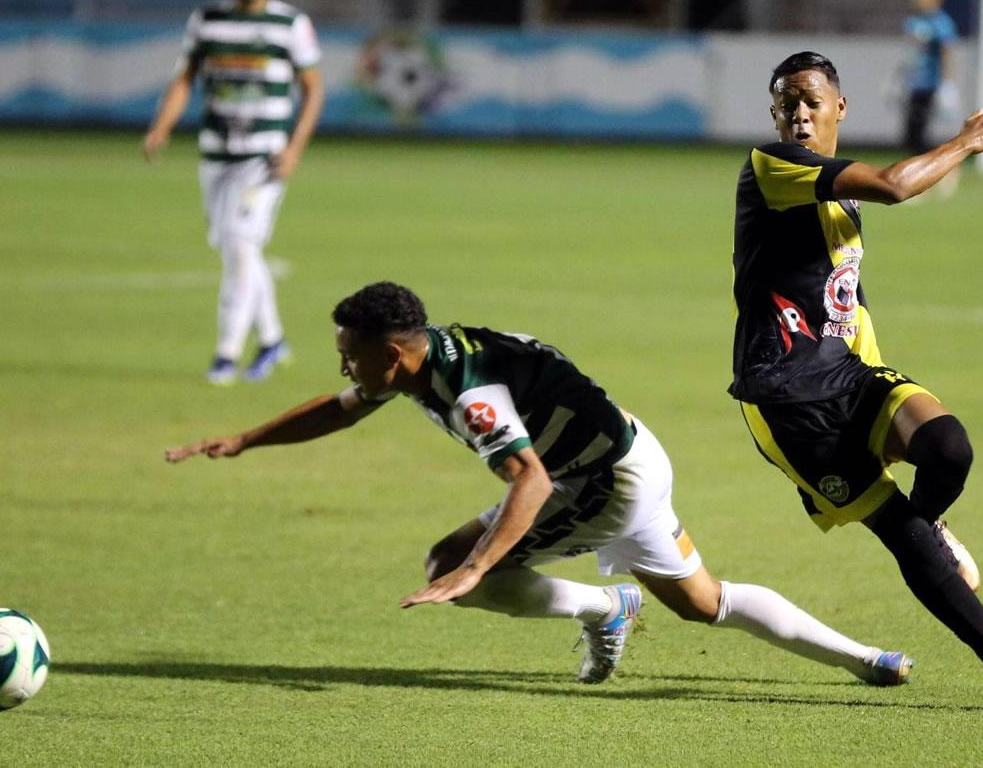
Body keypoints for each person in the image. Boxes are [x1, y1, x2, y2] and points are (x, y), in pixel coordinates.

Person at [167, 281, 914, 688]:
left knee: (454, 567)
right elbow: (338, 411)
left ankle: (604, 607)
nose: (345, 369)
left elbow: (527, 478)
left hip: (601, 482)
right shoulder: (430, 354)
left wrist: (477, 568)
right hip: (628, 450)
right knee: (703, 603)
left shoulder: (469, 394)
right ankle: (868, 662)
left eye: (350, 356)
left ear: (393, 354)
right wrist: (245, 439)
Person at [728, 50, 983, 715]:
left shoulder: (833, 183)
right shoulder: (772, 166)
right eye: (786, 102)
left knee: (948, 448)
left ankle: (932, 524)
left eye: (811, 101)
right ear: (774, 112)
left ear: (839, 109)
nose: (798, 113)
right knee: (897, 531)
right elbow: (898, 185)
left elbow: (837, 285)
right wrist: (971, 141)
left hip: (849, 373)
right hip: (786, 399)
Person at [143, 0, 324, 385]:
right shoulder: (208, 21)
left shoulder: (289, 24)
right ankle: (272, 340)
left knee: (241, 246)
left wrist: (295, 146)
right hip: (216, 154)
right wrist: (162, 126)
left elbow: (313, 88)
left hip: (263, 157)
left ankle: (226, 355)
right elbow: (184, 78)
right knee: (237, 248)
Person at [902, 0, 959, 155]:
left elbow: (946, 51)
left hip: (932, 82)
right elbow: (912, 52)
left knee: (923, 128)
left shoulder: (942, 22)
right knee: (912, 131)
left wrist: (947, 82)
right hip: (916, 81)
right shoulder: (913, 21)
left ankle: (940, 163)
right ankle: (919, 166)